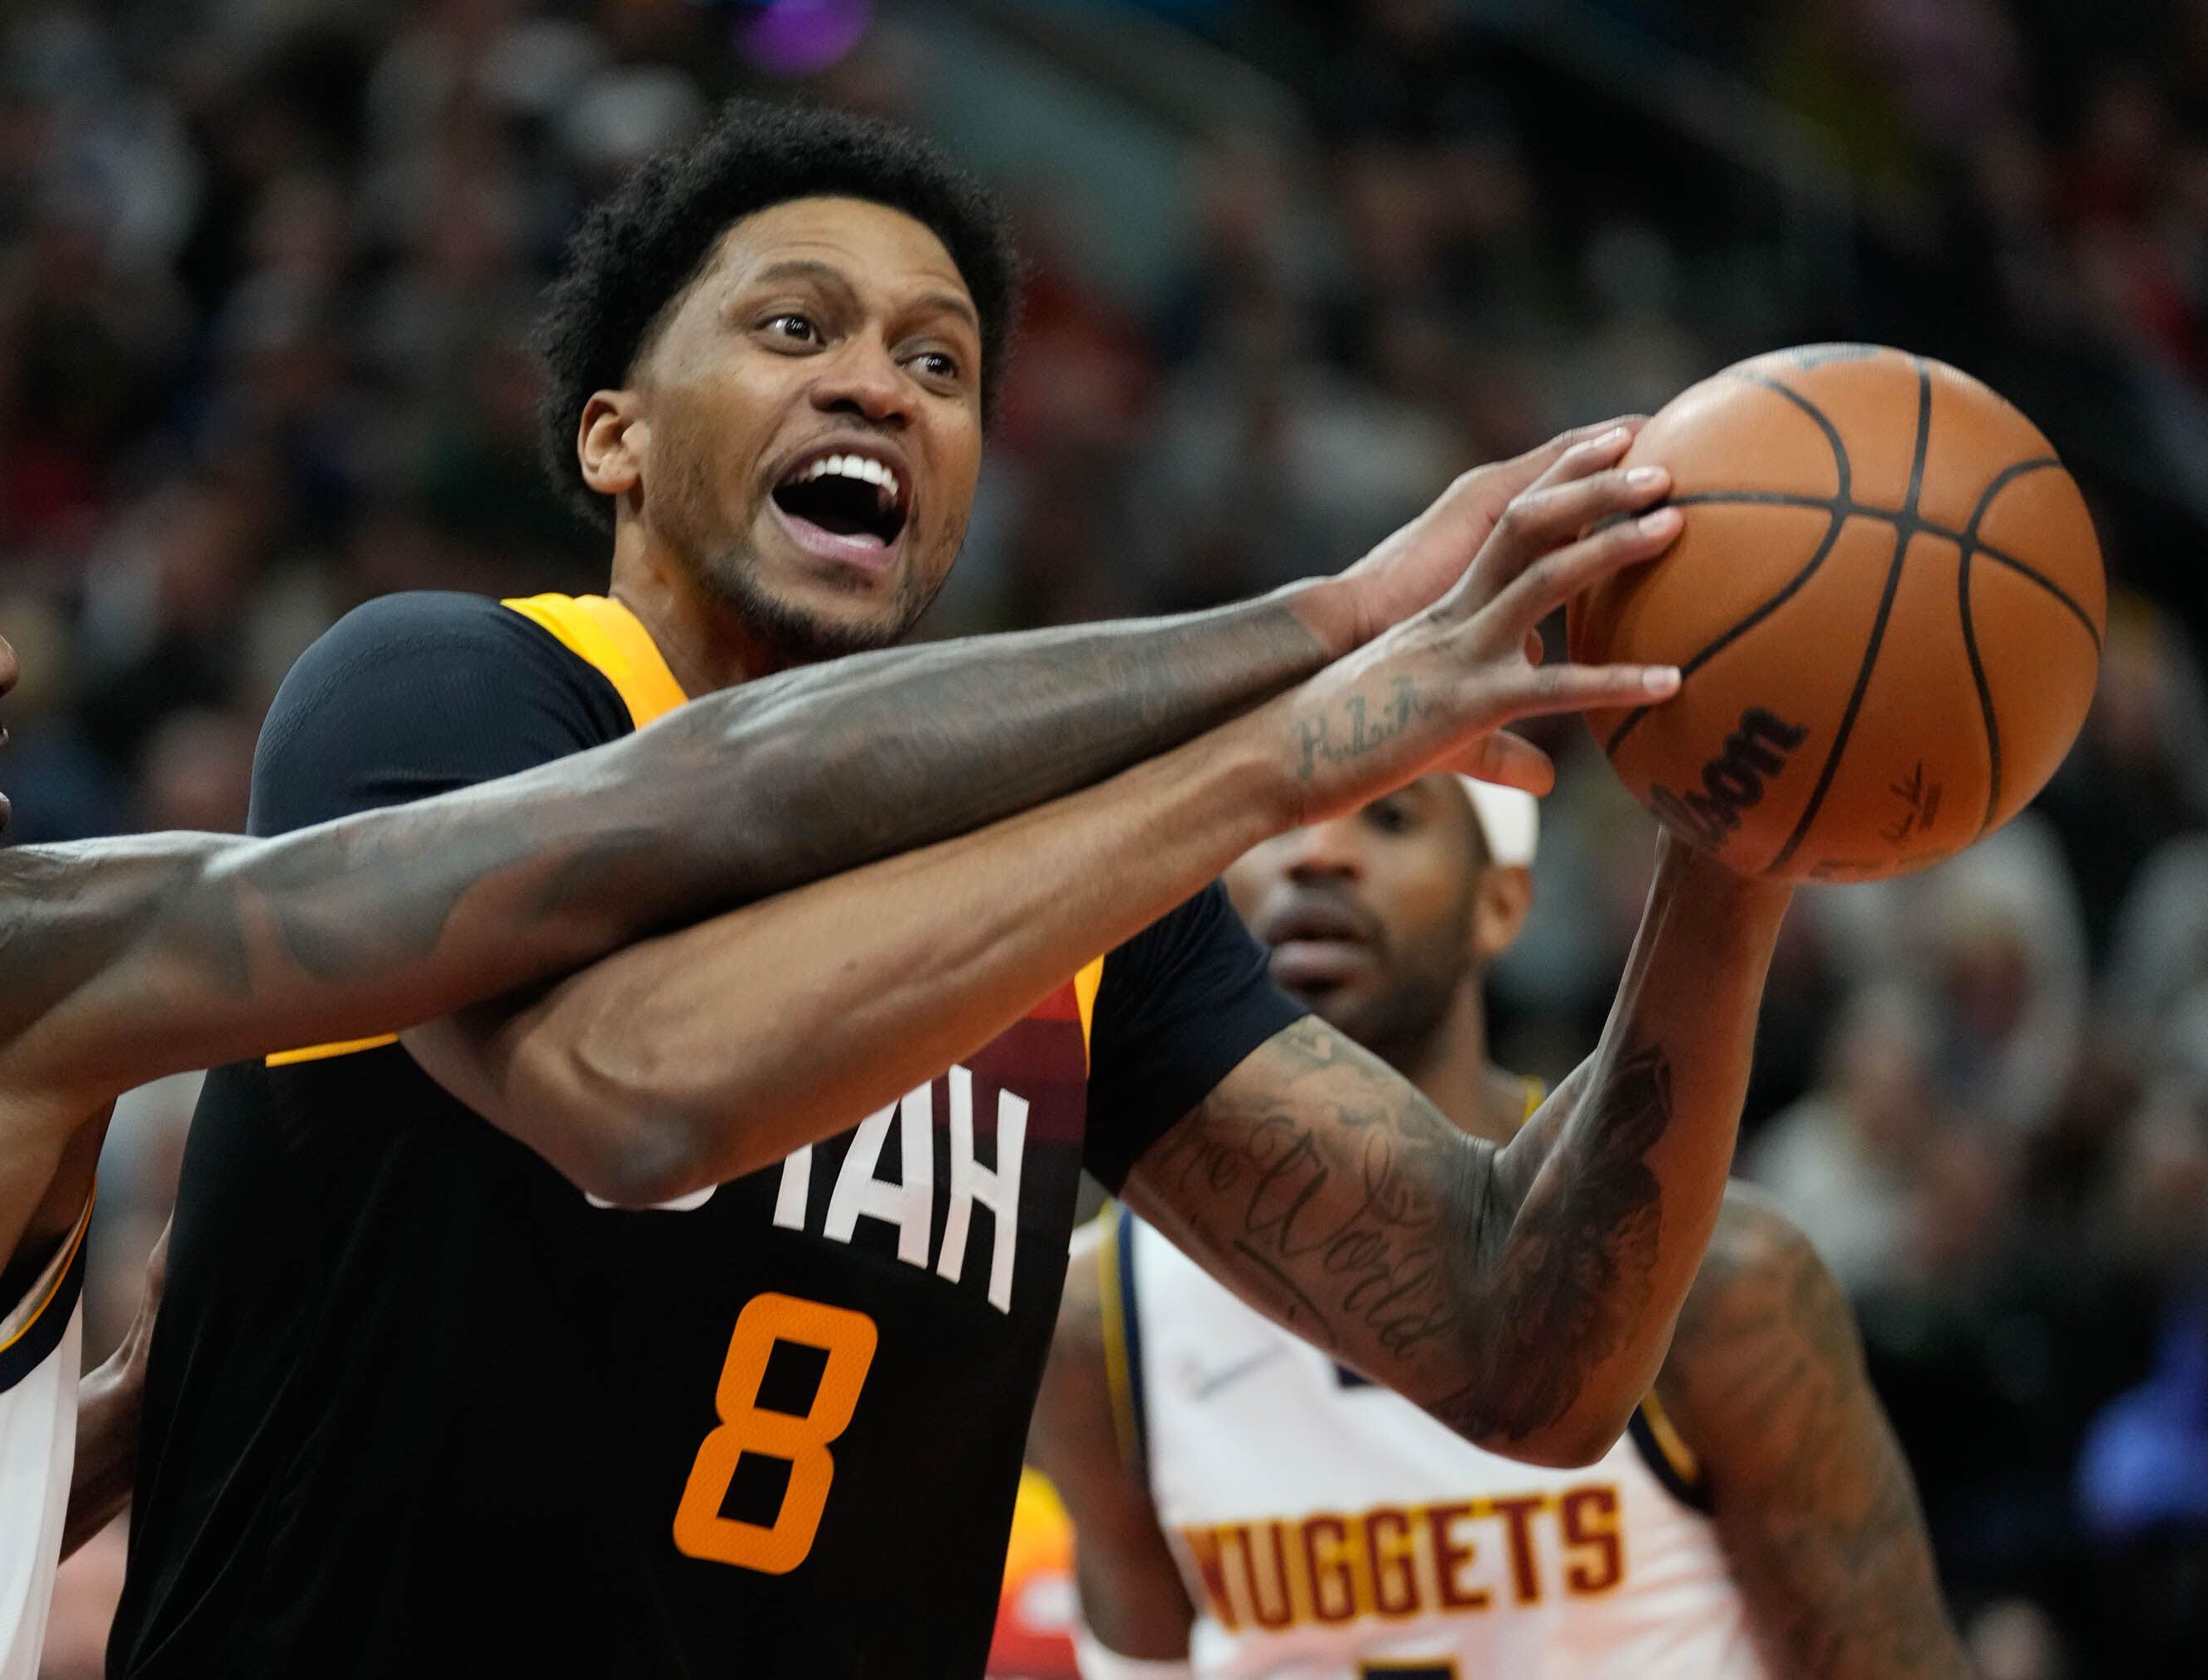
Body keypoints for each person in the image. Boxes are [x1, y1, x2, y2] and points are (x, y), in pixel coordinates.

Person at [110, 103, 1789, 1678]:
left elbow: (1516, 1346)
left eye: (939, 362)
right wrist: (1303, 686)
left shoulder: (1079, 886)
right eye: (793, 329)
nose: (879, 387)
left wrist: (1745, 841)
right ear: (611, 437)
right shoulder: (442, 692)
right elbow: (632, 1095)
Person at [1028, 774, 1970, 1679]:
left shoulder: (1721, 1281)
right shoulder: (1092, 1322)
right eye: (1276, 821)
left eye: (1391, 822)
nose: (1318, 856)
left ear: (1500, 905)